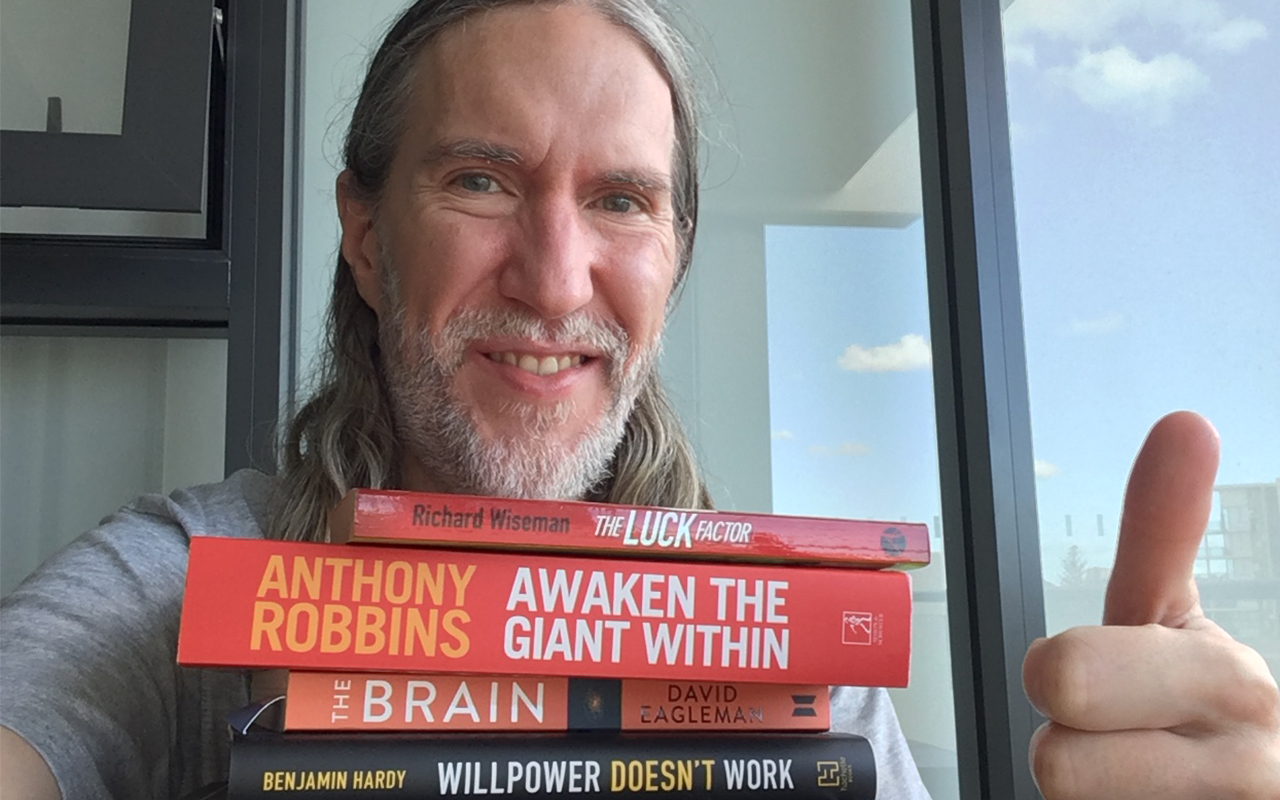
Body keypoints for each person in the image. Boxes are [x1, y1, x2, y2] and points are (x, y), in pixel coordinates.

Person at [1, 1, 1275, 799]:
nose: (557, 283)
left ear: (669, 259)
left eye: (619, 200)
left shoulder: (797, 661)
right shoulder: (179, 592)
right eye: (482, 181)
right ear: (368, 238)